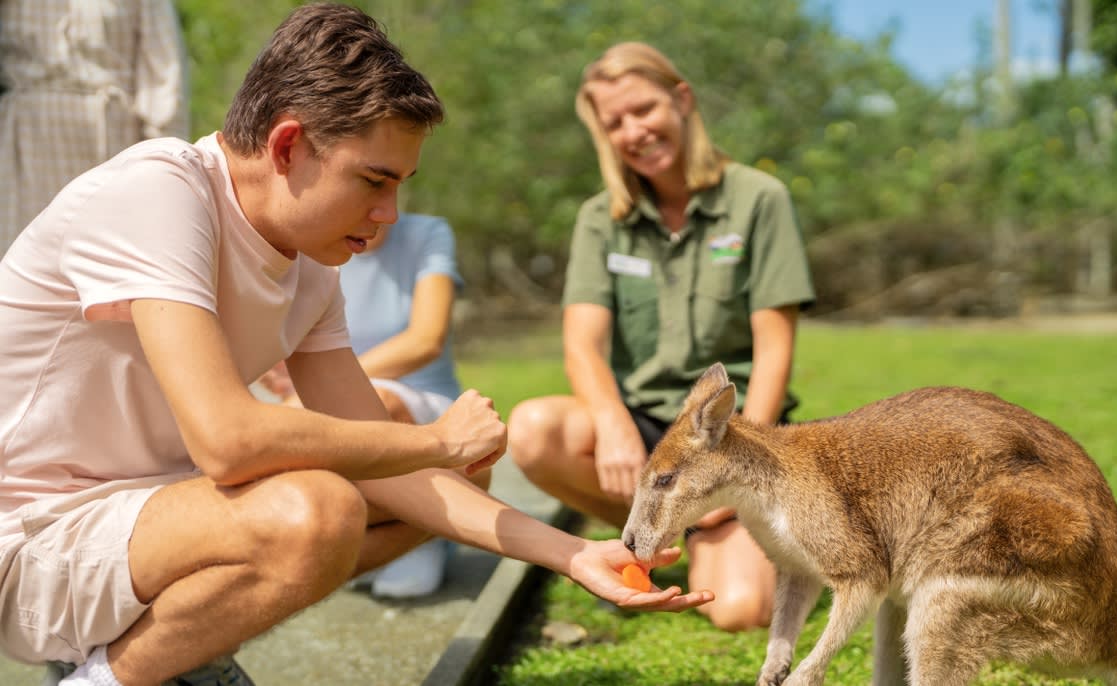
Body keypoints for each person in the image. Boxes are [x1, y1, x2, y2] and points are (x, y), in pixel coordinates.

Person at [0, 7, 712, 685]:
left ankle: (165, 653)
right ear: (287, 145)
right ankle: (114, 675)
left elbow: (378, 457)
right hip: (31, 537)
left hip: (148, 520)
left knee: (442, 486)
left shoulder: (310, 265)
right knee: (317, 511)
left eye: (399, 186)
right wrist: (438, 441)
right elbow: (228, 442)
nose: (388, 215)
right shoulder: (158, 191)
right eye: (373, 181)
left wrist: (574, 553)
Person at [507, 41, 816, 633]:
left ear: (681, 100)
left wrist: (739, 461)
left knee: (741, 613)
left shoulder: (758, 199)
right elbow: (582, 345)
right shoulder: (602, 219)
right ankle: (661, 536)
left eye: (643, 109)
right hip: (648, 430)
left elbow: (775, 350)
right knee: (534, 429)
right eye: (614, 122)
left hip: (736, 428)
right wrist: (613, 423)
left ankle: (701, 534)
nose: (634, 130)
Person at [260, 211, 480, 599]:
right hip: (335, 406)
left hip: (421, 402)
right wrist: (282, 374)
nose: (385, 209)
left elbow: (425, 341)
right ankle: (396, 534)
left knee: (375, 402)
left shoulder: (427, 233)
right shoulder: (304, 249)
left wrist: (325, 387)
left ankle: (424, 536)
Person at [0, 0, 190, 256]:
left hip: (111, 144)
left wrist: (167, 167)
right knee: (23, 254)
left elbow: (164, 77)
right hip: (25, 143)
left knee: (105, 258)